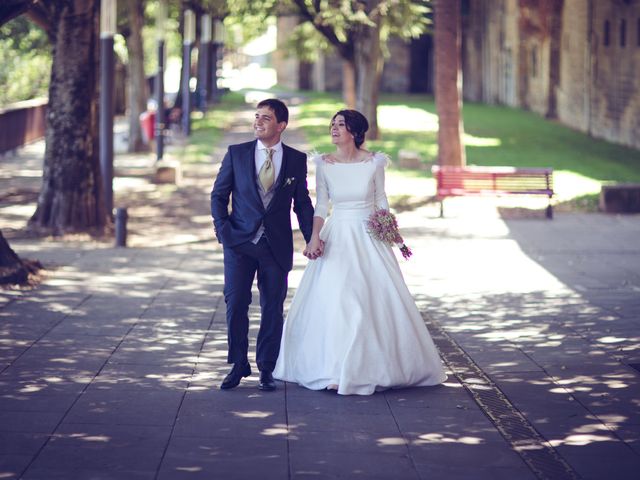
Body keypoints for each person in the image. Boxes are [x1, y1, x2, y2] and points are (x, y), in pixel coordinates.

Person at [273, 109, 447, 395]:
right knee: (340, 300)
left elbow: (380, 200)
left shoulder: (374, 163)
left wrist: (392, 234)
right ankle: (334, 369)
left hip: (369, 237)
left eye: (341, 124)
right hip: (338, 234)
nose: (334, 128)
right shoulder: (324, 164)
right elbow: (321, 207)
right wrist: (314, 237)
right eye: (332, 124)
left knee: (369, 301)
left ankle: (371, 368)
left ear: (354, 131)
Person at [210, 98, 321, 391]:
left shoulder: (296, 159)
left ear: (281, 125)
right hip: (239, 243)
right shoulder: (237, 154)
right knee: (235, 303)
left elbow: (302, 204)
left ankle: (266, 368)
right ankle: (238, 364)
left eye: (266, 118)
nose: (258, 121)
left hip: (276, 245)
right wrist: (223, 230)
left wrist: (312, 237)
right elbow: (218, 196)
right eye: (257, 116)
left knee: (272, 307)